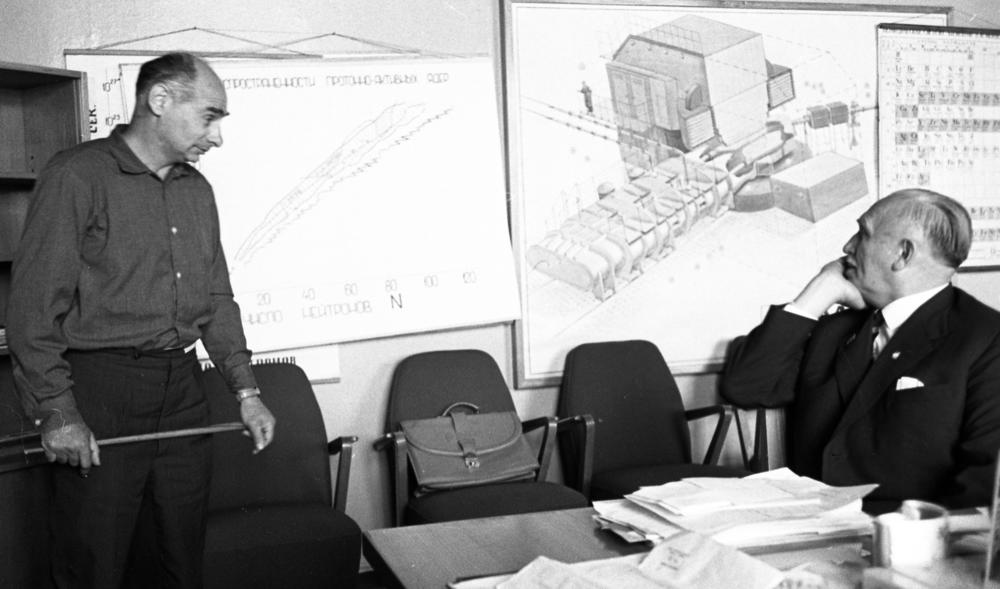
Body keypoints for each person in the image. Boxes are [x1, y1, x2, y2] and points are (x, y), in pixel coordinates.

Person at [7, 52, 276, 588]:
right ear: (160, 100)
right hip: (101, 392)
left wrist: (246, 391)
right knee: (95, 562)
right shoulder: (77, 176)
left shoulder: (197, 190)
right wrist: (58, 412)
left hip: (183, 390)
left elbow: (216, 297)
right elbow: (32, 311)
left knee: (178, 558)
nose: (218, 137)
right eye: (209, 116)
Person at [720, 188, 1000, 514]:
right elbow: (745, 387)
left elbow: (984, 484)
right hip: (809, 521)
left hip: (906, 531)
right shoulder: (835, 329)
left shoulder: (985, 339)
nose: (847, 247)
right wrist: (817, 293)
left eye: (863, 234)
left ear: (903, 254)